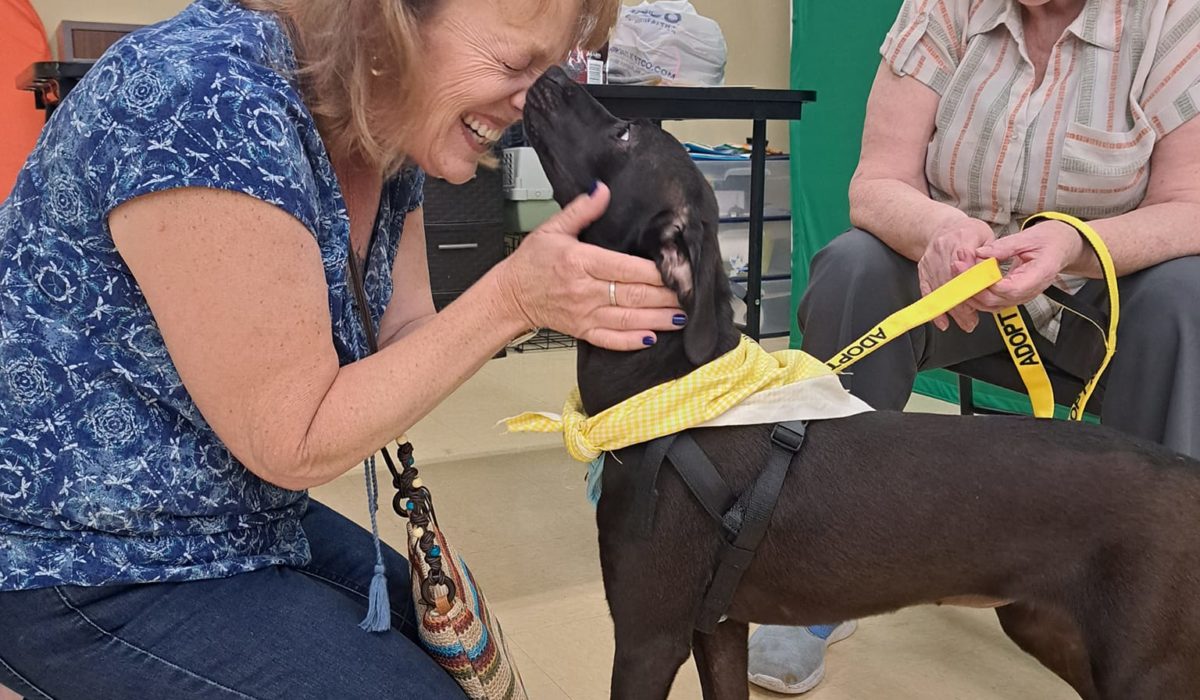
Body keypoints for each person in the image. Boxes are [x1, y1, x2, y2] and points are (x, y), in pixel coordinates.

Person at [0, 0, 688, 696]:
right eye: (516, 64)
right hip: (71, 557)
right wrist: (514, 299)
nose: (531, 102)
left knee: (465, 663)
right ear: (391, 20)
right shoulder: (203, 98)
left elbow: (406, 330)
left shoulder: (384, 124)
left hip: (241, 513)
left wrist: (563, 302)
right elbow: (294, 440)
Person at [747, 0, 1200, 694]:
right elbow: (876, 184)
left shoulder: (1172, 19)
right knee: (854, 267)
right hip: (957, 286)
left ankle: (1154, 597)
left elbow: (1189, 207)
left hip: (1099, 297)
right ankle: (810, 577)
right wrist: (939, 230)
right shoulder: (942, 9)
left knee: (1185, 295)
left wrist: (1075, 243)